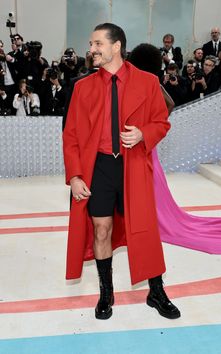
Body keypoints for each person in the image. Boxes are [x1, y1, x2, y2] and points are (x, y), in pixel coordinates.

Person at [63, 23, 181, 321]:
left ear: (116, 46)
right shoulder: (82, 87)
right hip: (97, 168)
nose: (91, 49)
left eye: (98, 44)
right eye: (91, 44)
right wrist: (75, 176)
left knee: (144, 230)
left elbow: (161, 122)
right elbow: (71, 136)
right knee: (101, 229)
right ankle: (106, 292)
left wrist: (143, 133)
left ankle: (156, 291)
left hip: (133, 167)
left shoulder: (148, 82)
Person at [128, 43, 221, 257]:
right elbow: (168, 104)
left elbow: (167, 104)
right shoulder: (152, 83)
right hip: (148, 146)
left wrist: (144, 128)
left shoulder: (142, 85)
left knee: (147, 189)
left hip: (141, 147)